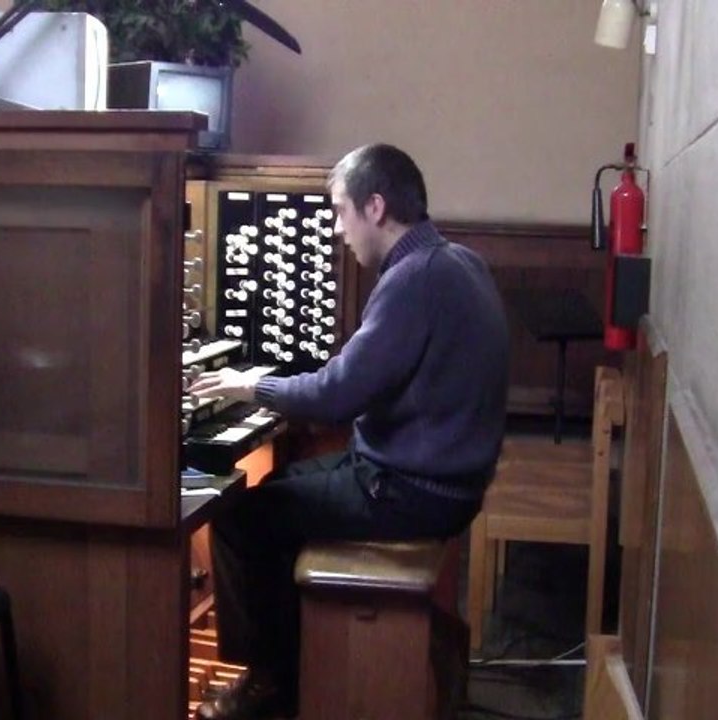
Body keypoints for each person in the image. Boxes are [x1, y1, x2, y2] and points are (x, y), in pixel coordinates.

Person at [189, 143, 509, 720]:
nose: (338, 231)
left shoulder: (415, 278)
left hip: (410, 490)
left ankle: (269, 686)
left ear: (376, 207)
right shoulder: (459, 261)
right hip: (437, 480)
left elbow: (336, 394)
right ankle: (302, 656)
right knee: (280, 484)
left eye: (340, 212)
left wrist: (246, 387)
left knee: (238, 520)